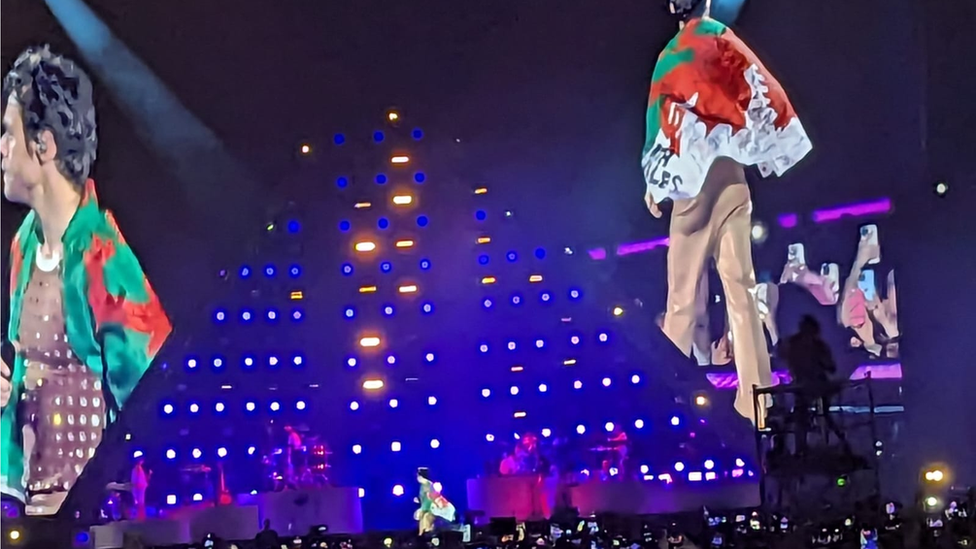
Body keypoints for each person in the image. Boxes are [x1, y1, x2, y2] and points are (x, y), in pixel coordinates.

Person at [0, 46, 171, 514]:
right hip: (25, 510)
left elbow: (152, 405)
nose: (1, 148)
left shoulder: (106, 261)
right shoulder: (26, 245)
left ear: (44, 145)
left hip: (87, 517)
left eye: (8, 132)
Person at [641, 0, 812, 425]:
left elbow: (664, 118)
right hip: (733, 175)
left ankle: (666, 401)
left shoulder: (675, 52)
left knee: (682, 297)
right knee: (741, 288)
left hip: (697, 178)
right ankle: (757, 402)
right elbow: (759, 88)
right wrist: (770, 148)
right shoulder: (723, 38)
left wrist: (655, 181)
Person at [414, 467, 455, 535]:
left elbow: (430, 500)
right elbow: (424, 499)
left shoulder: (428, 486)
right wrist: (418, 500)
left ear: (421, 476)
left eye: (418, 476)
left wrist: (422, 510)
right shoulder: (422, 486)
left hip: (434, 509)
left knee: (425, 517)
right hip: (429, 509)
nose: (417, 478)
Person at [130, 456, 150, 520]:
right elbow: (137, 479)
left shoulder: (139, 468)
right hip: (139, 487)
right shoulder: (137, 469)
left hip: (140, 487)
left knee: (140, 502)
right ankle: (139, 516)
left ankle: (140, 515)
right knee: (140, 502)